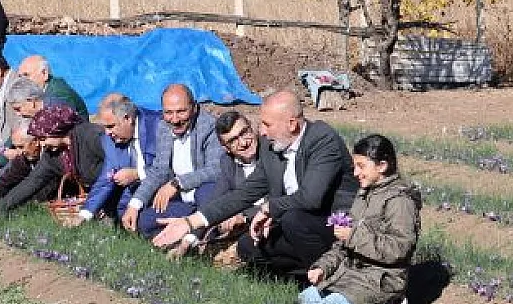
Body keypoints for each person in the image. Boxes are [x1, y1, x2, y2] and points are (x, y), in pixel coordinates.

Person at [151, 89, 358, 281]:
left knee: (293, 220)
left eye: (267, 124)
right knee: (249, 246)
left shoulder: (322, 139)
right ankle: (303, 278)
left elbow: (311, 198)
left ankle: (337, 279)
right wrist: (189, 223)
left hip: (337, 226)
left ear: (292, 124)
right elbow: (244, 194)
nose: (262, 132)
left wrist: (269, 209)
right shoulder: (272, 148)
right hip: (296, 223)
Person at [299, 134, 420, 304]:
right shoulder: (364, 194)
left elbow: (399, 249)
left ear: (382, 166)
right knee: (305, 302)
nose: (355, 173)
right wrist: (322, 267)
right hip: (351, 275)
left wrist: (353, 236)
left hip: (381, 279)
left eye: (361, 166)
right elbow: (341, 245)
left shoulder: (400, 201)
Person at [122, 84, 222, 239]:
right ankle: (185, 232)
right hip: (185, 202)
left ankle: (197, 236)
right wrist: (134, 204)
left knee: (207, 192)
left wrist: (177, 183)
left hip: (205, 196)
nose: (175, 119)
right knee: (144, 222)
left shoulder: (209, 127)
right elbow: (159, 171)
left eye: (181, 112)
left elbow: (216, 169)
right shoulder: (163, 127)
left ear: (194, 108)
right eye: (168, 112)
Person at [0, 103, 107, 215]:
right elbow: (33, 181)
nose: (42, 144)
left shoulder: (91, 137)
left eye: (43, 138)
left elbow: (117, 163)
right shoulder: (52, 155)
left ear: (56, 130)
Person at [189, 109, 263, 261]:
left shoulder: (270, 153)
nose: (243, 143)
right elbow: (215, 200)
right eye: (233, 140)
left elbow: (280, 196)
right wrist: (190, 237)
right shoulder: (228, 162)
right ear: (225, 148)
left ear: (252, 127)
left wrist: (244, 216)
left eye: (244, 132)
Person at [78, 94, 159, 224]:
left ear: (127, 118)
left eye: (110, 126)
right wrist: (84, 214)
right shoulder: (110, 139)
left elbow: (168, 168)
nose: (107, 132)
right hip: (131, 199)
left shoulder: (156, 127)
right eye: (104, 127)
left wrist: (137, 173)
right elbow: (106, 178)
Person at [16, 54, 88, 119]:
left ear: (44, 73)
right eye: (20, 77)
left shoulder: (58, 94)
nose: (22, 81)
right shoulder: (41, 91)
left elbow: (58, 126)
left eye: (26, 75)